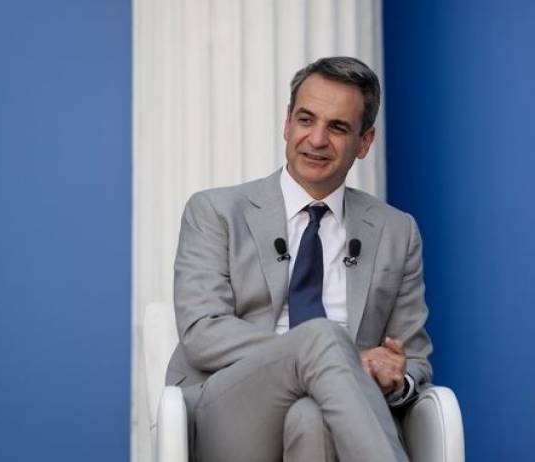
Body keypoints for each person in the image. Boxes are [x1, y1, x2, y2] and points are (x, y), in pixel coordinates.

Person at [165, 56, 432, 462]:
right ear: (287, 123)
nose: (317, 139)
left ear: (364, 142)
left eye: (337, 127)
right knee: (323, 337)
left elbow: (413, 358)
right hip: (231, 414)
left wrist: (396, 377)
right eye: (306, 120)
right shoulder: (215, 211)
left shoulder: (397, 231)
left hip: (338, 418)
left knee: (312, 418)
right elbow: (203, 333)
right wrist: (328, 354)